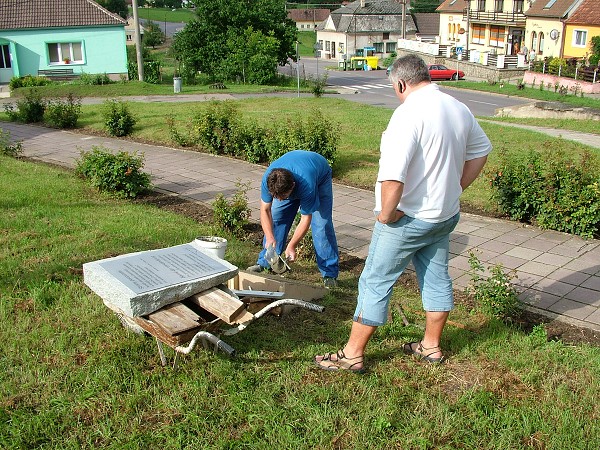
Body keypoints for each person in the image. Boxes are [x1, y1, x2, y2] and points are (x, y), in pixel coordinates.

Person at [315, 55, 492, 372]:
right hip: (443, 217)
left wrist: (386, 214)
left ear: (400, 83)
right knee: (436, 278)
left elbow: (393, 177)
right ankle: (430, 347)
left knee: (374, 282)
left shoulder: (407, 115)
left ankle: (352, 355)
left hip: (407, 219)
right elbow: (481, 150)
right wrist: (457, 187)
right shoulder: (457, 107)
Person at [247, 150, 339, 288]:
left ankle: (329, 274)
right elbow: (265, 210)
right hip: (296, 169)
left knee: (322, 224)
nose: (279, 199)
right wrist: (270, 236)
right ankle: (266, 261)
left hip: (320, 175)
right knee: (277, 216)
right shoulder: (270, 180)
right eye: (276, 196)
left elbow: (305, 218)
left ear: (293, 187)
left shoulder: (307, 186)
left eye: (282, 196)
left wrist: (292, 245)